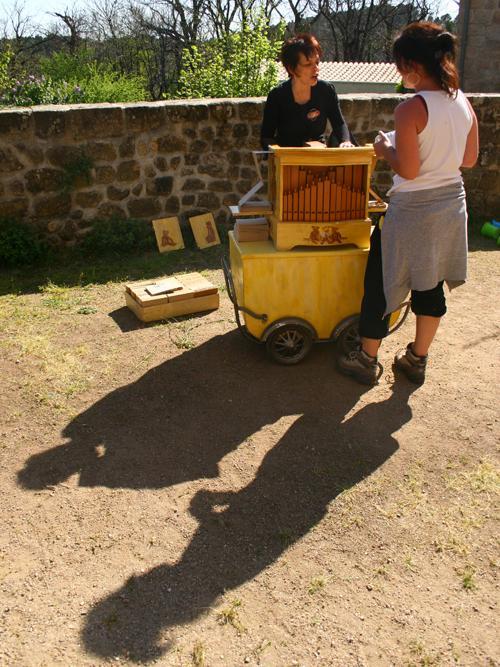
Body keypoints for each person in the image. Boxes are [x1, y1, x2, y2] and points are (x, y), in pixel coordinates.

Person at [337, 21, 479, 386]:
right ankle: (417, 358)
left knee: (382, 282)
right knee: (429, 283)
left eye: (400, 65)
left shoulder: (410, 109)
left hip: (414, 210)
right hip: (451, 206)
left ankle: (366, 359)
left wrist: (386, 150)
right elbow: (469, 159)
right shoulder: (462, 100)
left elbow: (410, 170)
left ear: (413, 66)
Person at [260, 33, 354, 151]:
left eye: (317, 63)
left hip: (319, 155)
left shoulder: (326, 90)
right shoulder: (277, 95)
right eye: (308, 64)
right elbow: (266, 137)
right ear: (291, 68)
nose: (316, 69)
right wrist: (277, 152)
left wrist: (346, 141)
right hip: (288, 160)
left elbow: (339, 124)